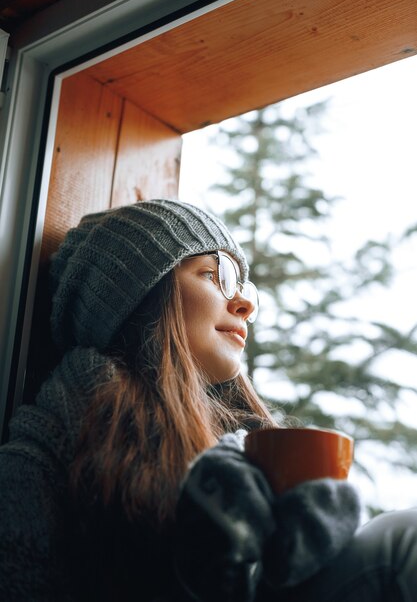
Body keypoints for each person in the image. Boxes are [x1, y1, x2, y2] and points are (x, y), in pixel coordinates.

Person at [0, 198, 416, 602]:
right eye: (217, 275)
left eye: (244, 285)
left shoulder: (238, 442)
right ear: (139, 295)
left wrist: (311, 549)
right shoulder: (35, 462)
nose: (247, 303)